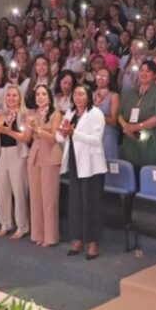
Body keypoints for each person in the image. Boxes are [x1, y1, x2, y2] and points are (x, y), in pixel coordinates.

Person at [57, 85, 107, 260]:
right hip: (74, 161)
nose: (78, 97)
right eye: (75, 94)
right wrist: (63, 133)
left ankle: (93, 243)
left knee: (91, 203)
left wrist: (74, 132)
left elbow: (95, 140)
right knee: (76, 201)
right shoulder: (70, 113)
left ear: (89, 96)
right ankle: (78, 239)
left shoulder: (96, 113)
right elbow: (59, 136)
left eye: (81, 94)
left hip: (91, 165)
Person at [0, 84, 30, 239]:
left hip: (18, 154)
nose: (11, 98)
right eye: (8, 95)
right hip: (1, 153)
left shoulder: (25, 114)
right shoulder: (0, 113)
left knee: (19, 192)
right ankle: (5, 224)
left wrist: (7, 131)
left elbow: (26, 137)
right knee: (1, 190)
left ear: (20, 98)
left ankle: (22, 226)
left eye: (14, 95)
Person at [117, 59, 156, 171]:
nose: (144, 73)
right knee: (130, 176)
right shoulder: (130, 92)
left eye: (148, 71)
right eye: (142, 70)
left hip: (151, 145)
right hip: (130, 144)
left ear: (155, 75)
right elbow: (119, 114)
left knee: (146, 176)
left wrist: (136, 127)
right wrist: (126, 126)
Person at [26, 84, 63, 246]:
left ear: (49, 97)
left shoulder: (56, 114)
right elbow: (27, 137)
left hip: (50, 157)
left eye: (43, 94)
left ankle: (51, 237)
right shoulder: (31, 114)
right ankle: (38, 234)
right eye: (38, 95)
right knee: (35, 197)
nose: (40, 97)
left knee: (49, 198)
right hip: (34, 156)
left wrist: (38, 129)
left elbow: (54, 138)